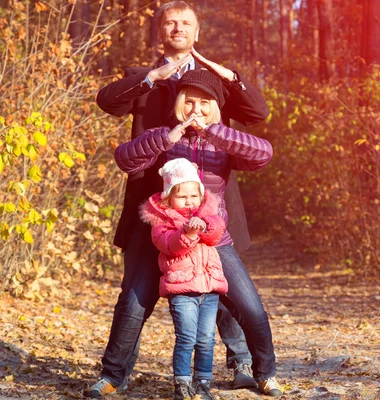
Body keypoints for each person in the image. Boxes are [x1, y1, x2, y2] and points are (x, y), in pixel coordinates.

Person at [85, 1, 268, 397]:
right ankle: (114, 374)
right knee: (135, 295)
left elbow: (257, 113)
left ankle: (240, 363)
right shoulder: (142, 78)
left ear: (197, 33)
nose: (178, 27)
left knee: (220, 289)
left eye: (186, 22)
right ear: (160, 31)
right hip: (150, 208)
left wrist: (228, 75)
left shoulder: (213, 82)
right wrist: (151, 78)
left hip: (210, 203)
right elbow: (108, 102)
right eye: (170, 22)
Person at [112, 69, 283, 396]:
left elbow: (263, 153)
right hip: (168, 242)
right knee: (134, 305)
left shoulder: (222, 141)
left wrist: (215, 134)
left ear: (215, 107)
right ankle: (111, 376)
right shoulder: (165, 137)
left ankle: (266, 373)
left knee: (252, 310)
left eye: (205, 103)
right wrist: (168, 137)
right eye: (189, 101)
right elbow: (125, 159)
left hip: (216, 241)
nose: (196, 108)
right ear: (178, 104)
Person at [139, 158, 227, 400]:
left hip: (209, 289)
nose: (189, 201)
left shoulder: (208, 214)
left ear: (200, 195)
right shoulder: (162, 222)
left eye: (193, 196)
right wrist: (186, 232)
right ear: (168, 197)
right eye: (182, 196)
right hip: (182, 290)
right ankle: (182, 383)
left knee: (206, 339)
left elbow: (216, 232)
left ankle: (203, 383)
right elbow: (169, 246)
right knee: (187, 337)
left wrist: (205, 224)